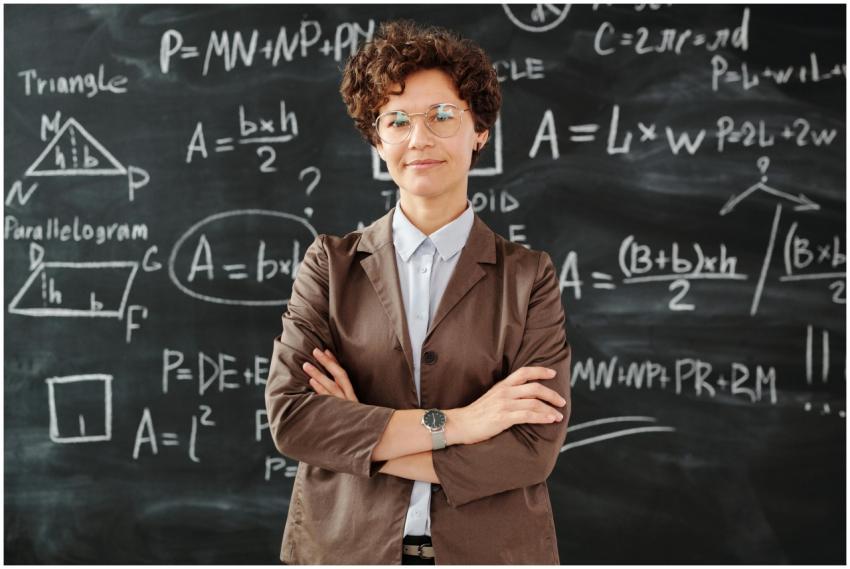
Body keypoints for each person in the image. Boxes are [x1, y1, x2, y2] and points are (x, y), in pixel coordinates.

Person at [265, 19, 571, 565]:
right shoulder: (330, 266)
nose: (419, 138)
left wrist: (362, 436)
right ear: (377, 138)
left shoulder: (530, 277)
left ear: (479, 130)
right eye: (397, 119)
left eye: (442, 116)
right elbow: (295, 419)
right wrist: (462, 424)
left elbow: (529, 450)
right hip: (344, 551)